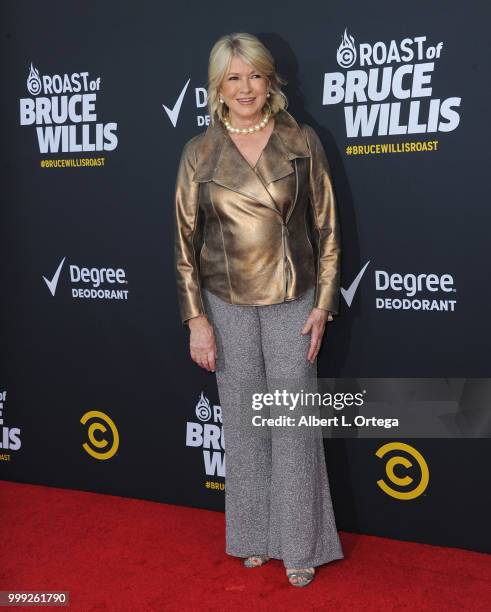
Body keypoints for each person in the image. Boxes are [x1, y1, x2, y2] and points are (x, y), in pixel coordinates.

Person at [174, 32, 344, 587]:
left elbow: (327, 229)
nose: (245, 87)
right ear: (217, 87)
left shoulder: (301, 140)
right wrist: (196, 318)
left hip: (292, 299)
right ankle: (252, 534)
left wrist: (323, 304)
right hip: (225, 303)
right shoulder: (199, 151)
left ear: (270, 81)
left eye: (254, 75)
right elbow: (184, 242)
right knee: (246, 427)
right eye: (233, 77)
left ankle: (301, 544)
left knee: (292, 426)